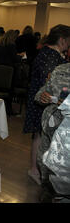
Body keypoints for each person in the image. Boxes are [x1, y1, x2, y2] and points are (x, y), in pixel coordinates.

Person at [24, 24, 70, 185]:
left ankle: (36, 169)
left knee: (39, 135)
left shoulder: (46, 52)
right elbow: (51, 83)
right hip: (43, 101)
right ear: (62, 40)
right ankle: (35, 170)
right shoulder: (51, 55)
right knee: (40, 135)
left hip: (40, 98)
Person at [35, 63, 69, 202]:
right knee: (43, 164)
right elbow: (41, 93)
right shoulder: (60, 69)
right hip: (50, 130)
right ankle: (47, 190)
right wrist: (42, 97)